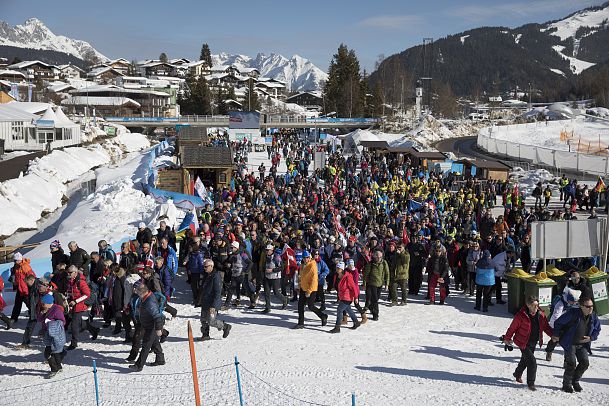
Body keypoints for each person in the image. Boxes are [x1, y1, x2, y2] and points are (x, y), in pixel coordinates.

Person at [503, 295, 554, 391]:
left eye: (537, 305)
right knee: (532, 362)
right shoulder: (521, 315)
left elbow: (546, 327)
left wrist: (553, 335)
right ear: (528, 305)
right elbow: (512, 328)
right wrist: (507, 338)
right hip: (522, 342)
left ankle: (517, 373)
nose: (536, 307)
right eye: (534, 305)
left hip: (533, 341)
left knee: (525, 359)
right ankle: (531, 383)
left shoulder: (541, 314)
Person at [553, 296, 601, 393]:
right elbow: (558, 323)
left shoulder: (593, 316)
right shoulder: (572, 313)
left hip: (582, 344)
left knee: (584, 363)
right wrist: (556, 335)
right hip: (570, 343)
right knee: (571, 363)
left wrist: (591, 338)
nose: (591, 308)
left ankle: (575, 381)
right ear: (581, 306)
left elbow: (597, 329)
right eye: (588, 306)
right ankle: (566, 384)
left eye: (592, 306)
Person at [129, 283, 165, 372]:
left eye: (137, 291)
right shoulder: (145, 297)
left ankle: (138, 366)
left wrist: (158, 328)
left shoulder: (149, 302)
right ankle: (160, 359)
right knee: (155, 342)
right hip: (148, 325)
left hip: (152, 326)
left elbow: (157, 316)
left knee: (146, 345)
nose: (136, 293)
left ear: (142, 292)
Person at [65, 265, 100, 350]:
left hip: (79, 306)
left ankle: (74, 343)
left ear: (75, 272)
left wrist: (76, 301)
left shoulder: (81, 282)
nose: (68, 274)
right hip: (73, 305)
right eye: (68, 272)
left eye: (70, 272)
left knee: (74, 325)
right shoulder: (71, 281)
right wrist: (67, 297)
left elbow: (87, 294)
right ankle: (94, 330)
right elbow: (71, 292)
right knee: (80, 323)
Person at [197, 259, 231, 341]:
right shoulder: (206, 275)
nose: (204, 268)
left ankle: (225, 326)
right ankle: (205, 335)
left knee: (211, 321)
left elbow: (217, 292)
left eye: (206, 266)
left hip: (212, 303)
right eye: (204, 266)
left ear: (211, 266)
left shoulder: (216, 276)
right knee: (203, 320)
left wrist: (214, 306)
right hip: (205, 301)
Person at [293, 250, 328, 329]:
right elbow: (301, 277)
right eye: (304, 258)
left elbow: (314, 280)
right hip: (303, 288)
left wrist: (309, 291)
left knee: (311, 306)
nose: (306, 259)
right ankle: (300, 323)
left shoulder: (312, 265)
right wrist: (299, 285)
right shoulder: (302, 265)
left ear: (310, 257)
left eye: (307, 257)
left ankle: (323, 316)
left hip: (311, 289)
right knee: (300, 306)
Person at [545, 287, 581, 361]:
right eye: (572, 301)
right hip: (558, 325)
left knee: (568, 343)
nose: (573, 303)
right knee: (554, 340)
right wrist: (555, 332)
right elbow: (555, 317)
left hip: (568, 324)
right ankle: (549, 351)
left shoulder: (574, 302)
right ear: (567, 299)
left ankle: (567, 360)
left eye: (574, 301)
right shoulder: (560, 304)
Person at [39, 293, 67, 379]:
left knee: (50, 354)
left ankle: (54, 369)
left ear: (48, 303)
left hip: (56, 336)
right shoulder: (45, 309)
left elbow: (62, 322)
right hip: (48, 335)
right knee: (52, 353)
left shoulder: (57, 310)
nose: (42, 305)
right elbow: (39, 320)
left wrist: (50, 323)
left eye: (43, 304)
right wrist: (42, 314)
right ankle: (58, 366)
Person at [329, 262, 361, 333]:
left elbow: (353, 287)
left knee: (339, 310)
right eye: (336, 268)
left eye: (338, 268)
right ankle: (356, 322)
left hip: (347, 297)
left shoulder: (348, 276)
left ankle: (337, 327)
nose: (336, 269)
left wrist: (356, 297)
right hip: (342, 296)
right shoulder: (338, 276)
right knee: (349, 310)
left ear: (342, 269)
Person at [362, 249, 389, 321]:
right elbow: (366, 275)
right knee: (375, 300)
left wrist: (387, 284)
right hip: (371, 283)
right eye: (377, 256)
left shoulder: (384, 263)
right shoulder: (370, 264)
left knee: (376, 299)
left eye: (380, 257)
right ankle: (375, 314)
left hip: (380, 283)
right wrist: (364, 284)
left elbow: (387, 273)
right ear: (374, 256)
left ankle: (370, 306)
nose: (378, 258)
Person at [261, 245, 288, 314]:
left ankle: (285, 300)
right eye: (266, 250)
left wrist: (272, 270)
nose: (266, 251)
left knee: (276, 293)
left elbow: (282, 267)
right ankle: (267, 307)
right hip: (267, 277)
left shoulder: (277, 257)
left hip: (275, 278)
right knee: (266, 292)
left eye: (268, 250)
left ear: (272, 250)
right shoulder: (266, 256)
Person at [9, 252, 35, 323]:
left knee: (29, 303)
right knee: (17, 303)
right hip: (19, 288)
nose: (14, 262)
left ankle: (34, 315)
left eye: (15, 260)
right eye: (14, 260)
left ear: (19, 260)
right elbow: (17, 278)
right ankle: (14, 318)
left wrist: (30, 286)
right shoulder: (16, 266)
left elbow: (32, 277)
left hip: (26, 289)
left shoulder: (25, 266)